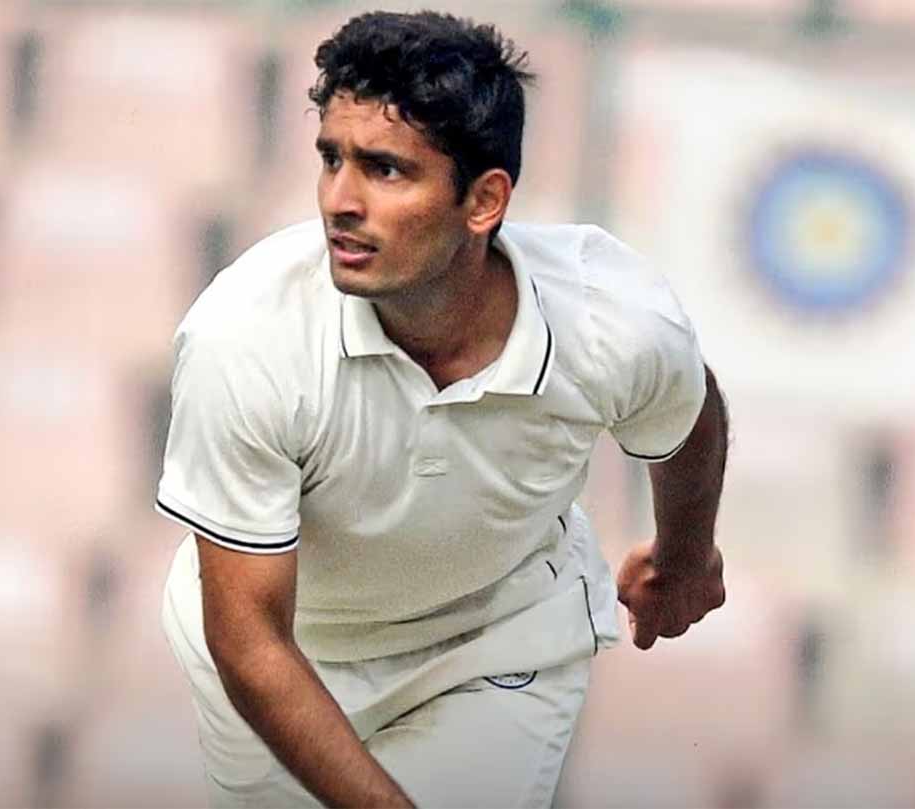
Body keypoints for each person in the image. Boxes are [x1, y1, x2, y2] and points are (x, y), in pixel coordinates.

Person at [156, 9, 727, 808]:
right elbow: (249, 641)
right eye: (331, 158)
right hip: (289, 659)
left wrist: (684, 557)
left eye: (386, 169)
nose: (339, 200)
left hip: (498, 645)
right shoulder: (243, 336)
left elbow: (688, 412)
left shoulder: (612, 318)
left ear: (484, 200)